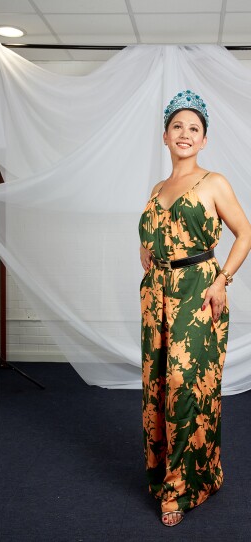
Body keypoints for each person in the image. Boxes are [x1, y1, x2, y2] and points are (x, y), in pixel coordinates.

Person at [139, 89, 251, 527]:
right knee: (157, 387)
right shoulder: (157, 187)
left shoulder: (214, 182)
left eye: (194, 128)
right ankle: (167, 474)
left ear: (204, 140)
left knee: (188, 386)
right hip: (156, 295)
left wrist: (223, 279)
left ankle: (184, 488)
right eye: (177, 126)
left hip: (199, 291)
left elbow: (245, 233)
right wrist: (146, 252)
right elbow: (154, 231)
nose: (185, 134)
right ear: (165, 135)